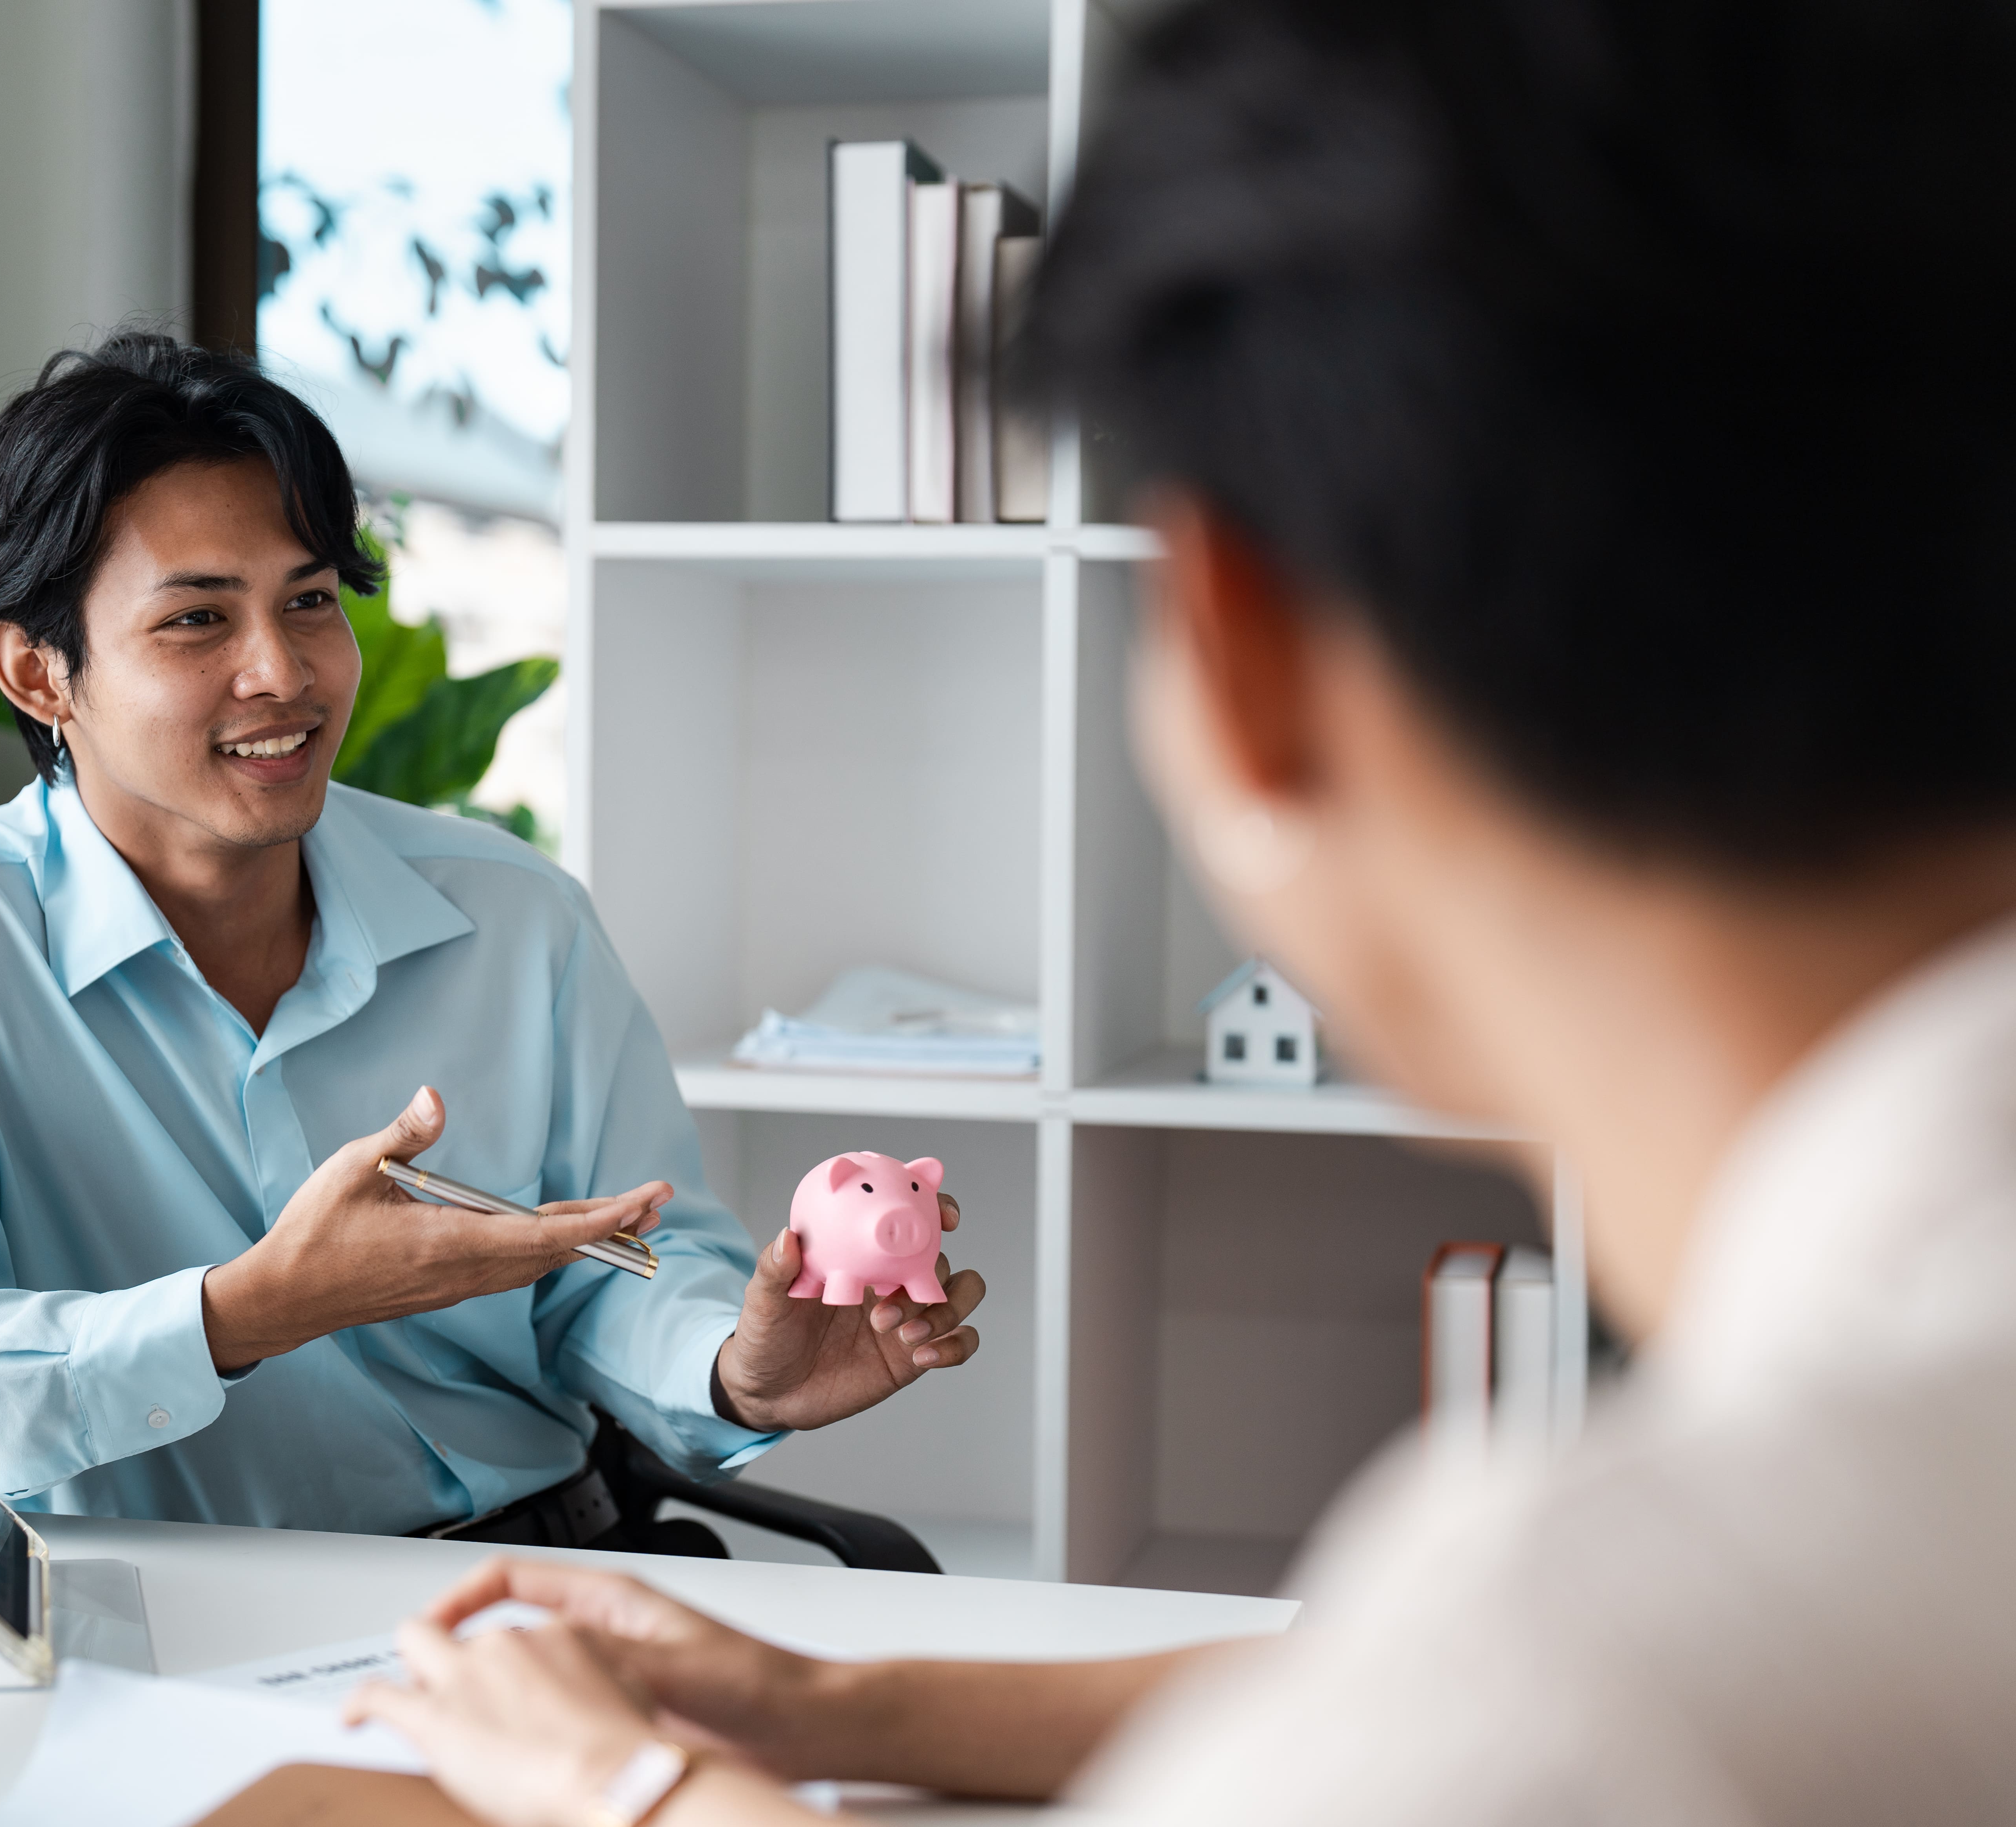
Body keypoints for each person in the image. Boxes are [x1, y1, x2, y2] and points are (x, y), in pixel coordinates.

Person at [341, 0, 2016, 1818]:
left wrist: (620, 1785)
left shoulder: (1613, 1652)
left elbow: (1509, 1705)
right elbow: (1408, 1690)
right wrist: (838, 1705)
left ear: (1242, 648)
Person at [0, 336, 986, 1546]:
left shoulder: (514, 918)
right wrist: (237, 1317)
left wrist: (734, 1370)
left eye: (310, 601)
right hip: (149, 1636)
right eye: (197, 622)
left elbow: (615, 1263)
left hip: (538, 1580)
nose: (285, 672)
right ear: (39, 674)